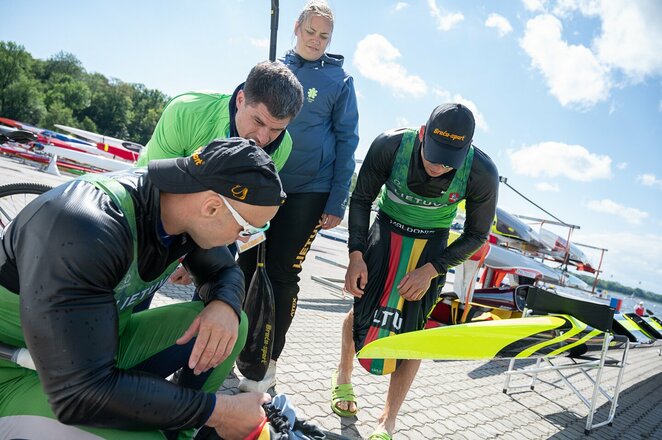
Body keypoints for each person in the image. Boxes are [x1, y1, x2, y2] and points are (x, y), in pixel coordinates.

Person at [0, 139, 286, 439]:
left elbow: (225, 270)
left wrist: (225, 304)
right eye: (248, 228)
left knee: (233, 323)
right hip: (24, 377)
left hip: (96, 352)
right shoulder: (86, 225)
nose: (244, 239)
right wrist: (218, 411)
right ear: (212, 206)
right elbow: (78, 395)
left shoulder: (178, 205)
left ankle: (179, 432)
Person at [335, 103, 499, 439]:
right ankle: (343, 377)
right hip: (387, 229)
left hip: (433, 246)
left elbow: (477, 234)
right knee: (361, 307)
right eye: (433, 155)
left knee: (415, 334)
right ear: (423, 134)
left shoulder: (482, 171)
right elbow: (363, 197)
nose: (439, 166)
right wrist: (355, 254)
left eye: (448, 160)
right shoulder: (391, 145)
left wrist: (432, 269)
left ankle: (388, 419)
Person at [236, 0, 359, 393]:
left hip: (309, 190)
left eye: (324, 36)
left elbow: (347, 140)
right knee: (241, 266)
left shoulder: (340, 81)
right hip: (262, 182)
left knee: (281, 273)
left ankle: (267, 361)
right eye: (311, 32)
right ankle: (231, 347)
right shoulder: (274, 67)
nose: (316, 41)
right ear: (296, 27)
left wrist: (337, 200)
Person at [136, 59, 303, 288]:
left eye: (277, 129)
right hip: (153, 206)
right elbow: (158, 191)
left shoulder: (283, 147)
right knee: (140, 285)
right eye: (258, 121)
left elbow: (245, 212)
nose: (263, 139)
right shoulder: (186, 110)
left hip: (222, 220)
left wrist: (200, 262)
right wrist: (185, 253)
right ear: (241, 99)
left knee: (214, 284)